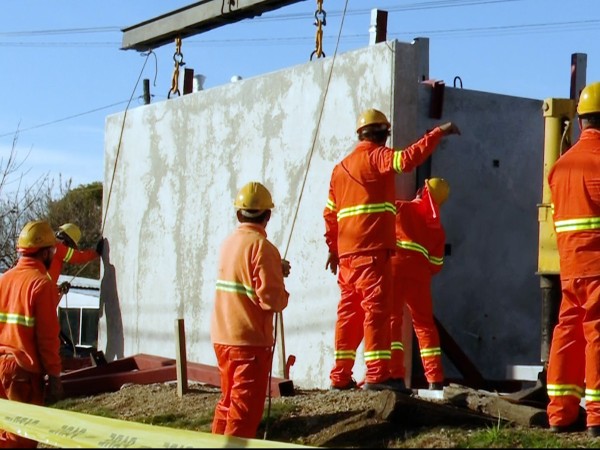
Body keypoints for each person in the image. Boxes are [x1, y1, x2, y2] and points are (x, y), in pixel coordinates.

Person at [324, 108, 460, 392]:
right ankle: (377, 375)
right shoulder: (378, 157)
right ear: (383, 135)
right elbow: (407, 159)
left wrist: (333, 249)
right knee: (377, 313)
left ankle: (340, 375)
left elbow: (330, 214)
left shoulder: (339, 170)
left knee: (349, 315)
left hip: (347, 256)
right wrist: (437, 133)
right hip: (373, 254)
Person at [210, 181, 290, 439]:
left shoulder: (228, 244)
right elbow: (272, 300)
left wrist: (275, 267)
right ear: (267, 216)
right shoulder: (263, 248)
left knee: (227, 403)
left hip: (223, 338)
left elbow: (244, 277)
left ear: (238, 214)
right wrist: (280, 283)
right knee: (243, 413)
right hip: (249, 343)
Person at [546, 81, 600, 438]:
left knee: (567, 332)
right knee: (597, 334)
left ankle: (560, 415)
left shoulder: (559, 168)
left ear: (580, 122)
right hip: (598, 267)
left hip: (570, 270)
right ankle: (596, 416)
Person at [0, 220, 64, 448]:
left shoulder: (4, 279)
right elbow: (47, 337)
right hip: (23, 373)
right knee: (22, 439)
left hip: (1, 367)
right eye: (53, 251)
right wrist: (55, 375)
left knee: (3, 434)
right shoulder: (41, 284)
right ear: (45, 252)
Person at [389, 177, 449, 391]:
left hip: (393, 270)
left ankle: (395, 375)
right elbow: (436, 265)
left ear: (420, 191)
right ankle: (434, 379)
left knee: (393, 321)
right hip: (420, 277)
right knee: (424, 325)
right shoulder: (436, 227)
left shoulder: (399, 207)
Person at [48, 223, 103, 291]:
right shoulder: (58, 249)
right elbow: (78, 256)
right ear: (68, 241)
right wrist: (95, 253)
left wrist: (58, 289)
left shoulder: (47, 246)